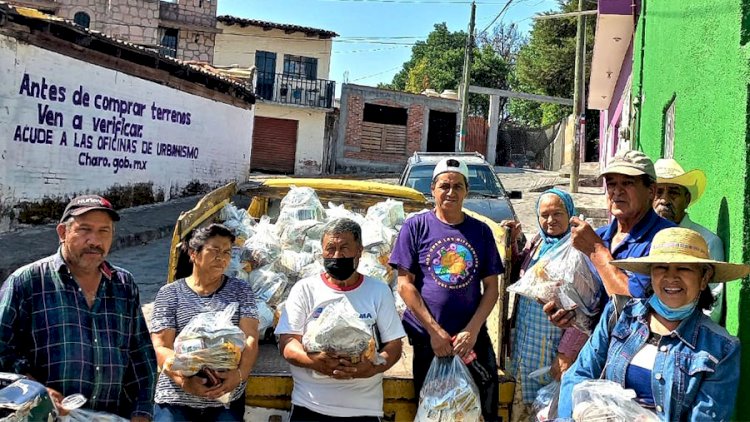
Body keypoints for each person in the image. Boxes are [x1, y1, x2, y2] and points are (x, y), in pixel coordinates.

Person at [558, 227, 748, 420]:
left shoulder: (721, 349)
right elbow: (580, 373)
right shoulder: (621, 315)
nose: (671, 277)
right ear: (651, 274)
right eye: (661, 267)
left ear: (704, 278)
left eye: (683, 268)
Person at [0, 195, 157, 420]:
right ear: (63, 233)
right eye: (84, 230)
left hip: (112, 415)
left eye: (104, 231)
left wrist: (142, 412)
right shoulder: (27, 282)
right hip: (46, 416)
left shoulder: (124, 284)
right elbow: (2, 349)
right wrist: (36, 390)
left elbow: (141, 355)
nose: (95, 240)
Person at [389, 157, 503, 421]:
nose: (451, 192)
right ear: (433, 189)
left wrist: (472, 331)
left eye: (458, 186)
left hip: (470, 338)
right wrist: (435, 331)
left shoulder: (481, 231)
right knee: (434, 410)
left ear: (466, 191)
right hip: (429, 339)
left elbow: (492, 289)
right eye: (444, 186)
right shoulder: (416, 226)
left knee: (482, 408)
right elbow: (405, 285)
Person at [275, 218, 405, 421]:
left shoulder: (378, 291)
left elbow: (394, 346)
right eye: (330, 249)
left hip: (364, 410)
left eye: (344, 248)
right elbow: (288, 343)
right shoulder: (305, 289)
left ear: (359, 251)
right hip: (309, 406)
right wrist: (315, 362)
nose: (337, 255)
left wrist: (372, 368)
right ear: (321, 252)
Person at [546, 150, 676, 328]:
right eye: (611, 184)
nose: (617, 191)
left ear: (651, 191)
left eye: (627, 183)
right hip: (601, 348)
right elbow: (591, 303)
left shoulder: (667, 239)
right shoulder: (599, 235)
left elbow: (633, 310)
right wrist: (569, 313)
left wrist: (597, 251)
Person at [150, 223, 260, 421]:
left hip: (225, 395)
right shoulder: (170, 294)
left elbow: (250, 336)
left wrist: (239, 375)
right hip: (176, 396)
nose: (222, 258)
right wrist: (185, 381)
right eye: (215, 250)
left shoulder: (240, 290)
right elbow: (161, 346)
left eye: (227, 252)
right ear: (194, 253)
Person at [502, 189, 586, 420]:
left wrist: (566, 354)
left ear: (570, 213)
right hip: (525, 346)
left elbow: (587, 308)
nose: (550, 220)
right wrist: (511, 243)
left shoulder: (578, 251)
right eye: (544, 215)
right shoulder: (537, 242)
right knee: (522, 407)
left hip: (554, 351)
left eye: (558, 213)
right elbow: (520, 280)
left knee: (548, 411)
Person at [653, 158, 725, 322]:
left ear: (687, 199)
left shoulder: (706, 242)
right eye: (659, 192)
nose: (664, 200)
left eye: (673, 192)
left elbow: (713, 310)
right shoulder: (644, 239)